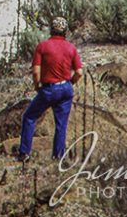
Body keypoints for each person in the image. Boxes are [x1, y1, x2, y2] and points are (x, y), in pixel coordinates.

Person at [15, 16, 84, 162]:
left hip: (48, 88)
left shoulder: (42, 46)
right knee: (61, 125)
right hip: (65, 88)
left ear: (51, 30)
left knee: (29, 117)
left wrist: (37, 85)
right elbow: (79, 72)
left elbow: (35, 71)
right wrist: (70, 83)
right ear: (65, 32)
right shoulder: (71, 48)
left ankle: (24, 153)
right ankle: (58, 156)